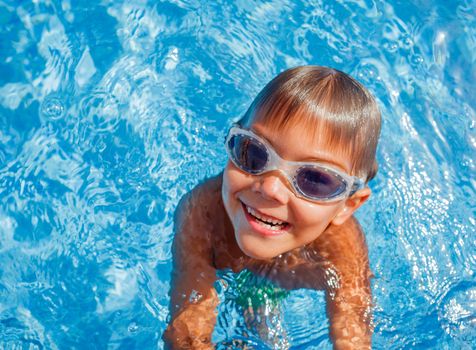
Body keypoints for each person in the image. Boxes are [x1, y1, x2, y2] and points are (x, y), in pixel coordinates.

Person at [163, 65, 381, 349]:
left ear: (347, 206)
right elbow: (186, 333)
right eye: (253, 152)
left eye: (314, 179)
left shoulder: (339, 252)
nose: (270, 188)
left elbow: (353, 337)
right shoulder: (203, 214)